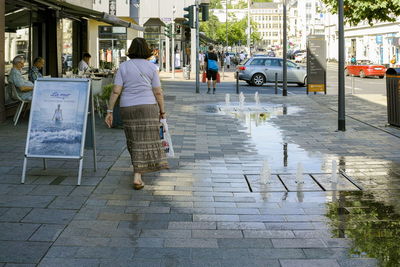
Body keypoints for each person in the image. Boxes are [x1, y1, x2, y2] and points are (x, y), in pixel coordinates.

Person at [105, 37, 168, 190]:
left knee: (133, 139)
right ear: (147, 50)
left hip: (128, 107)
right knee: (146, 139)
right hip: (148, 106)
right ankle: (138, 174)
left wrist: (110, 111)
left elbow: (116, 91)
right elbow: (158, 92)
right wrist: (162, 111)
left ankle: (137, 172)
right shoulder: (152, 67)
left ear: (131, 50)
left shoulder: (123, 67)